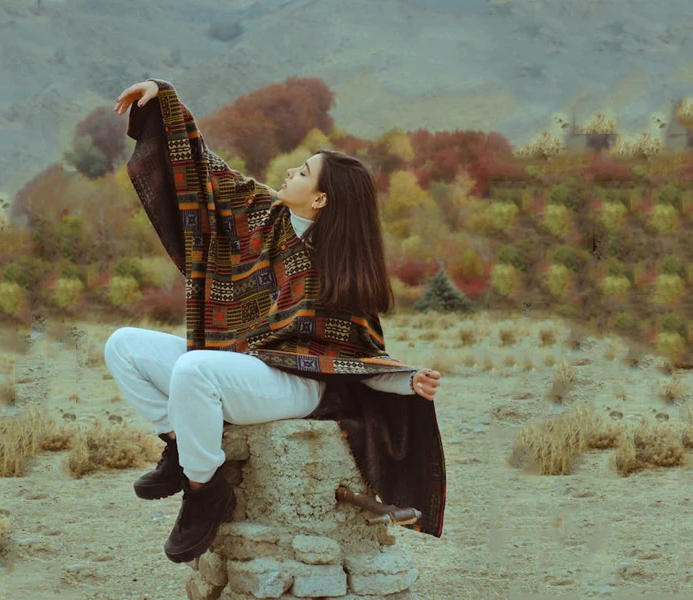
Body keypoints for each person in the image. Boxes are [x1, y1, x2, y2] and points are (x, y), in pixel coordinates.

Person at [105, 79, 445, 565]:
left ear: (321, 199)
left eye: (304, 171)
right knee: (123, 346)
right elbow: (205, 168)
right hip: (243, 365)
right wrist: (163, 98)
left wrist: (409, 381)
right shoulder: (263, 214)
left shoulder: (339, 268)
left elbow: (357, 357)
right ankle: (182, 448)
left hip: (296, 384)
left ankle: (204, 491)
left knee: (193, 370)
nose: (291, 171)